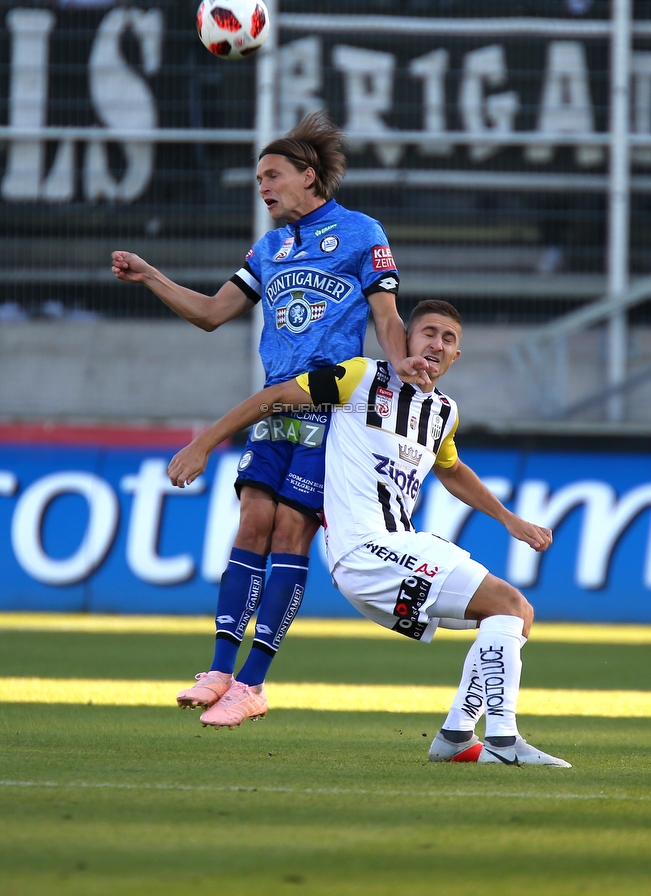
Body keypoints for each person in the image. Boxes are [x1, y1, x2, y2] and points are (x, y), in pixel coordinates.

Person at [111, 112, 429, 727]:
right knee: (252, 521)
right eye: (259, 178)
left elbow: (386, 316)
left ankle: (252, 684)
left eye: (272, 175)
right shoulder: (270, 247)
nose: (263, 187)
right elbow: (210, 313)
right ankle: (218, 669)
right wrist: (151, 275)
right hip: (274, 408)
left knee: (289, 531)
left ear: (309, 177)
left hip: (332, 409)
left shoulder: (362, 233)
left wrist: (403, 360)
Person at [168, 299, 571, 768]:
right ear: (406, 338)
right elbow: (273, 398)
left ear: (457, 355)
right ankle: (502, 742)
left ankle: (457, 736)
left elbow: (453, 468)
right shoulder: (362, 377)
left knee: (512, 616)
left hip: (395, 554)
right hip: (365, 549)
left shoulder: (443, 412)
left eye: (448, 339)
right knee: (508, 604)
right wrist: (203, 444)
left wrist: (510, 520)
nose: (436, 344)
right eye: (429, 333)